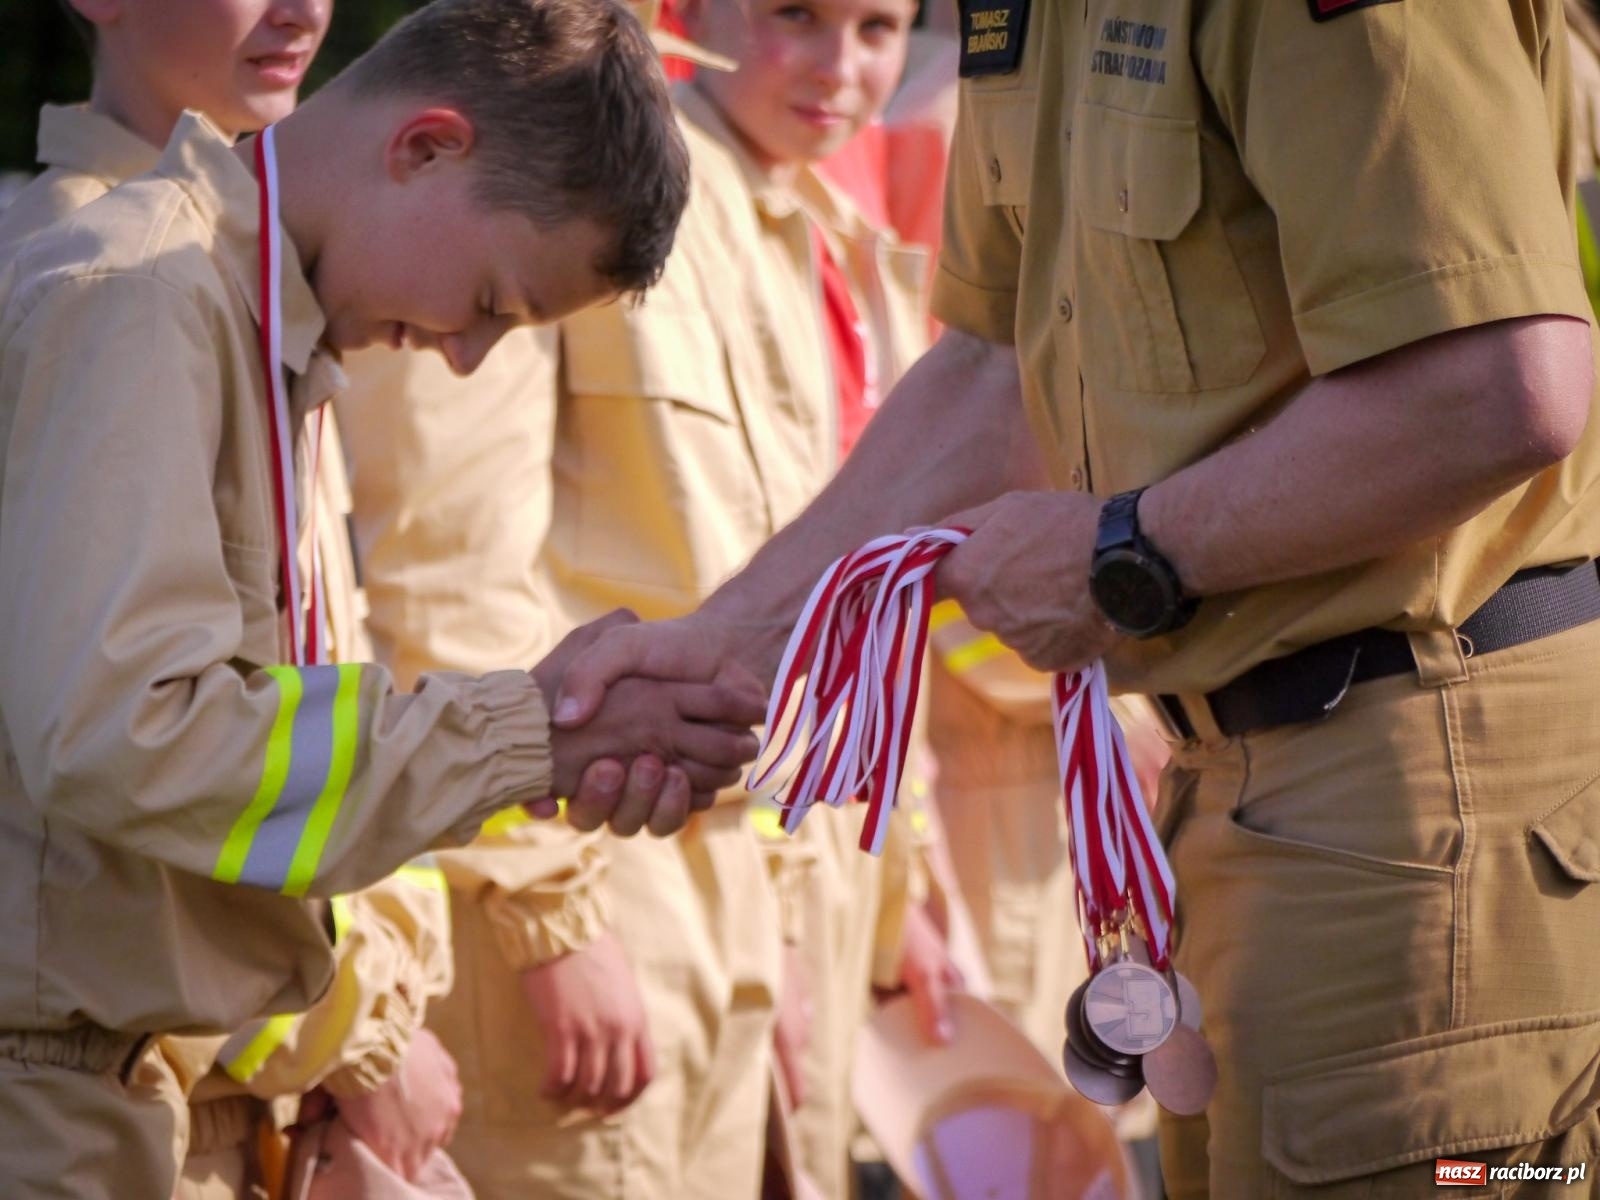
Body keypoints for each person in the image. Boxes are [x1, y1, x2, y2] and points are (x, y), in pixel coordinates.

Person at [549, 2, 1600, 1195]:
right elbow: (998, 367)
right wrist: (723, 645)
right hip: (1246, 786)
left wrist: (1130, 551)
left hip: (1419, 780)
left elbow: (1495, 386)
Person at [0, 2, 766, 1196]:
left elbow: (290, 721)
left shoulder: (264, 331)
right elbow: (121, 731)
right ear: (425, 146)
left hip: (173, 1098)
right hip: (69, 1111)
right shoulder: (142, 299)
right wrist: (528, 731)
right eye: (497, 303)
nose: (466, 355)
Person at [336, 1, 955, 1194]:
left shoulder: (807, 219)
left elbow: (838, 625)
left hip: (751, 898)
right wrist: (548, 917)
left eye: (879, 26)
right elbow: (441, 577)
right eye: (793, 15)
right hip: (590, 882)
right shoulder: (587, 174)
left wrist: (874, 902)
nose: (839, 67)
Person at [0, 7, 474, 1195]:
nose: (304, 9)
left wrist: (380, 1013)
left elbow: (325, 683)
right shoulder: (112, 288)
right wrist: (358, 1038)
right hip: (118, 1084)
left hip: (245, 1090)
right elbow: (121, 788)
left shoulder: (260, 280)